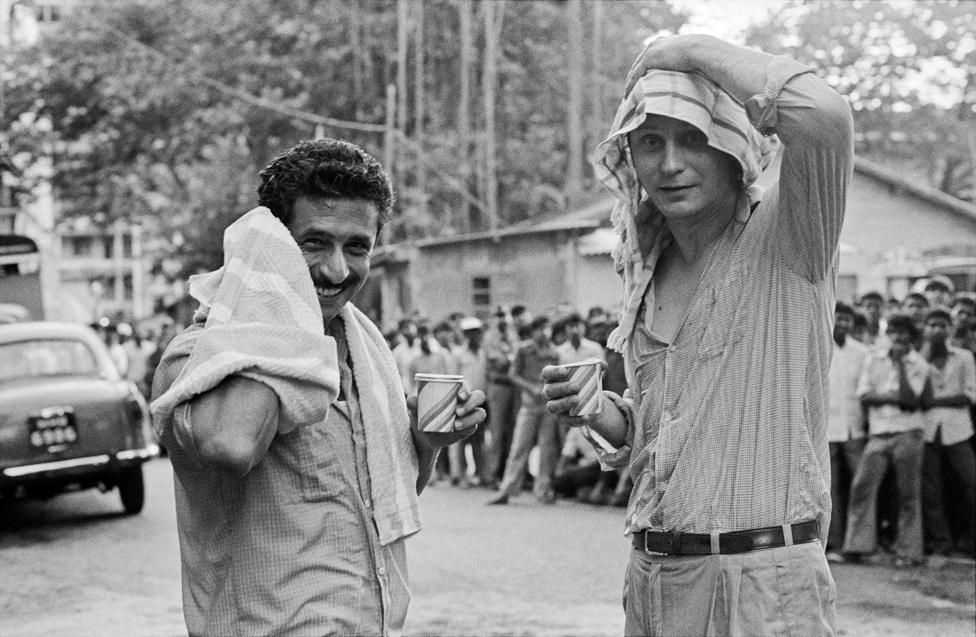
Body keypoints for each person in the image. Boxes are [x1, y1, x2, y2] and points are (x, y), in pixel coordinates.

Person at [541, 34, 853, 635]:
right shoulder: (646, 267)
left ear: (733, 147)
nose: (670, 164)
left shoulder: (789, 237)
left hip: (764, 584)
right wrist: (602, 412)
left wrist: (685, 51)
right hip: (655, 580)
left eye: (694, 138)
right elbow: (671, 445)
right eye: (649, 142)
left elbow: (825, 115)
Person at [150, 138, 485, 636]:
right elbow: (232, 444)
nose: (337, 270)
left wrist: (427, 444)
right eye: (314, 243)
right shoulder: (199, 357)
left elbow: (384, 499)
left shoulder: (366, 352)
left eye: (356, 248)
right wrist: (275, 302)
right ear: (274, 246)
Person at [842, 314, 931, 567]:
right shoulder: (874, 359)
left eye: (903, 332)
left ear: (911, 337)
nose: (897, 337)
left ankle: (909, 552)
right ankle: (857, 546)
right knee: (862, 488)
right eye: (893, 331)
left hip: (908, 433)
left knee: (908, 494)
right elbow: (864, 396)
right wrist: (892, 397)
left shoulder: (919, 364)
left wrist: (901, 366)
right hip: (879, 433)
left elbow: (910, 401)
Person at [918, 309, 976, 556]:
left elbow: (970, 394)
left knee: (971, 482)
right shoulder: (918, 358)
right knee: (930, 489)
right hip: (927, 430)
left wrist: (934, 402)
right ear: (925, 328)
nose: (936, 329)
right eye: (931, 324)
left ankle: (970, 539)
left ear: (950, 328)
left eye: (942, 324)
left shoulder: (963, 357)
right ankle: (941, 542)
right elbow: (914, 397)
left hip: (958, 430)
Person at [488, 316, 561, 505]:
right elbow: (513, 374)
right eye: (540, 329)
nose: (544, 333)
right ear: (534, 331)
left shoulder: (554, 352)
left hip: (548, 404)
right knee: (519, 446)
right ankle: (507, 489)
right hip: (528, 403)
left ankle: (543, 489)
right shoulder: (523, 349)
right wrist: (530, 388)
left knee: (547, 449)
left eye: (547, 329)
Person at [825, 302, 869, 563]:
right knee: (831, 489)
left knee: (859, 486)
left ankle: (858, 545)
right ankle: (833, 543)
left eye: (848, 320)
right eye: (839, 319)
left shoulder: (862, 352)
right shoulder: (819, 344)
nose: (843, 324)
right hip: (828, 427)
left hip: (855, 428)